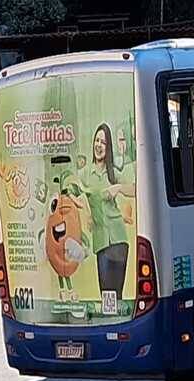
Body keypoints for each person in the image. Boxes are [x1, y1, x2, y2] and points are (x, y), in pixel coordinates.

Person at [80, 123, 136, 301]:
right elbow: (73, 188)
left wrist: (118, 188)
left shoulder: (113, 173)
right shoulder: (85, 173)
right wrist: (86, 214)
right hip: (101, 242)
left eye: (103, 142)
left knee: (116, 296)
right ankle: (110, 327)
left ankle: (119, 327)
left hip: (119, 239)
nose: (98, 145)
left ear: (108, 147)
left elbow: (135, 189)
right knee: (106, 295)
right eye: (97, 140)